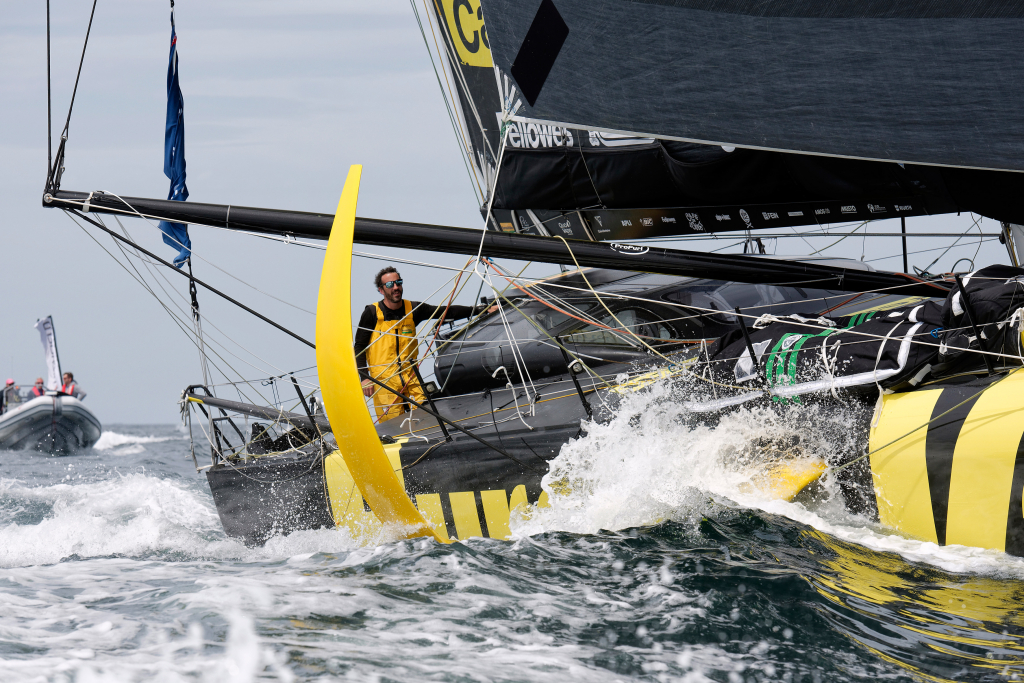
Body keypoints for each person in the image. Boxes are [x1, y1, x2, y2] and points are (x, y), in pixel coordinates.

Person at [353, 266, 496, 422]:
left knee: (427, 418)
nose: (395, 287)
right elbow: (359, 347)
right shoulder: (372, 313)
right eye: (390, 284)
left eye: (398, 282)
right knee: (393, 425)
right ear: (381, 290)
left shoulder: (413, 309)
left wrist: (483, 310)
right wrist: (364, 377)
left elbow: (446, 311)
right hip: (385, 382)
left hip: (411, 377)